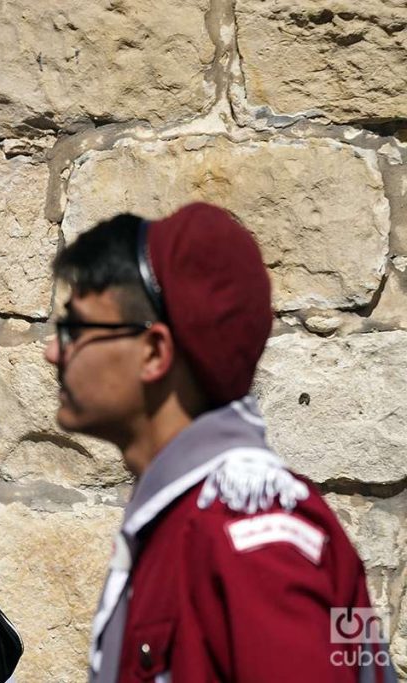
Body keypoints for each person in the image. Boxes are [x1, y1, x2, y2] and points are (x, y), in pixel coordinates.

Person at [44, 202, 395, 682]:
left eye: (76, 328)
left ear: (154, 353)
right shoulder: (191, 515)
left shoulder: (251, 538)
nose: (51, 352)